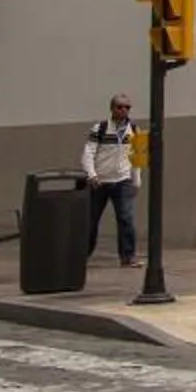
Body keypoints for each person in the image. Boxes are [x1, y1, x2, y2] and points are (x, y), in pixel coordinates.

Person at [82, 93, 141, 267]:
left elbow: (136, 157)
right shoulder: (100, 128)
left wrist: (136, 180)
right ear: (112, 109)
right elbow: (88, 153)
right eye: (120, 107)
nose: (124, 110)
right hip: (99, 181)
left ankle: (128, 256)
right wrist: (91, 174)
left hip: (122, 180)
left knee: (126, 218)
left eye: (127, 107)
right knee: (91, 219)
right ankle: (82, 253)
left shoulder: (134, 130)